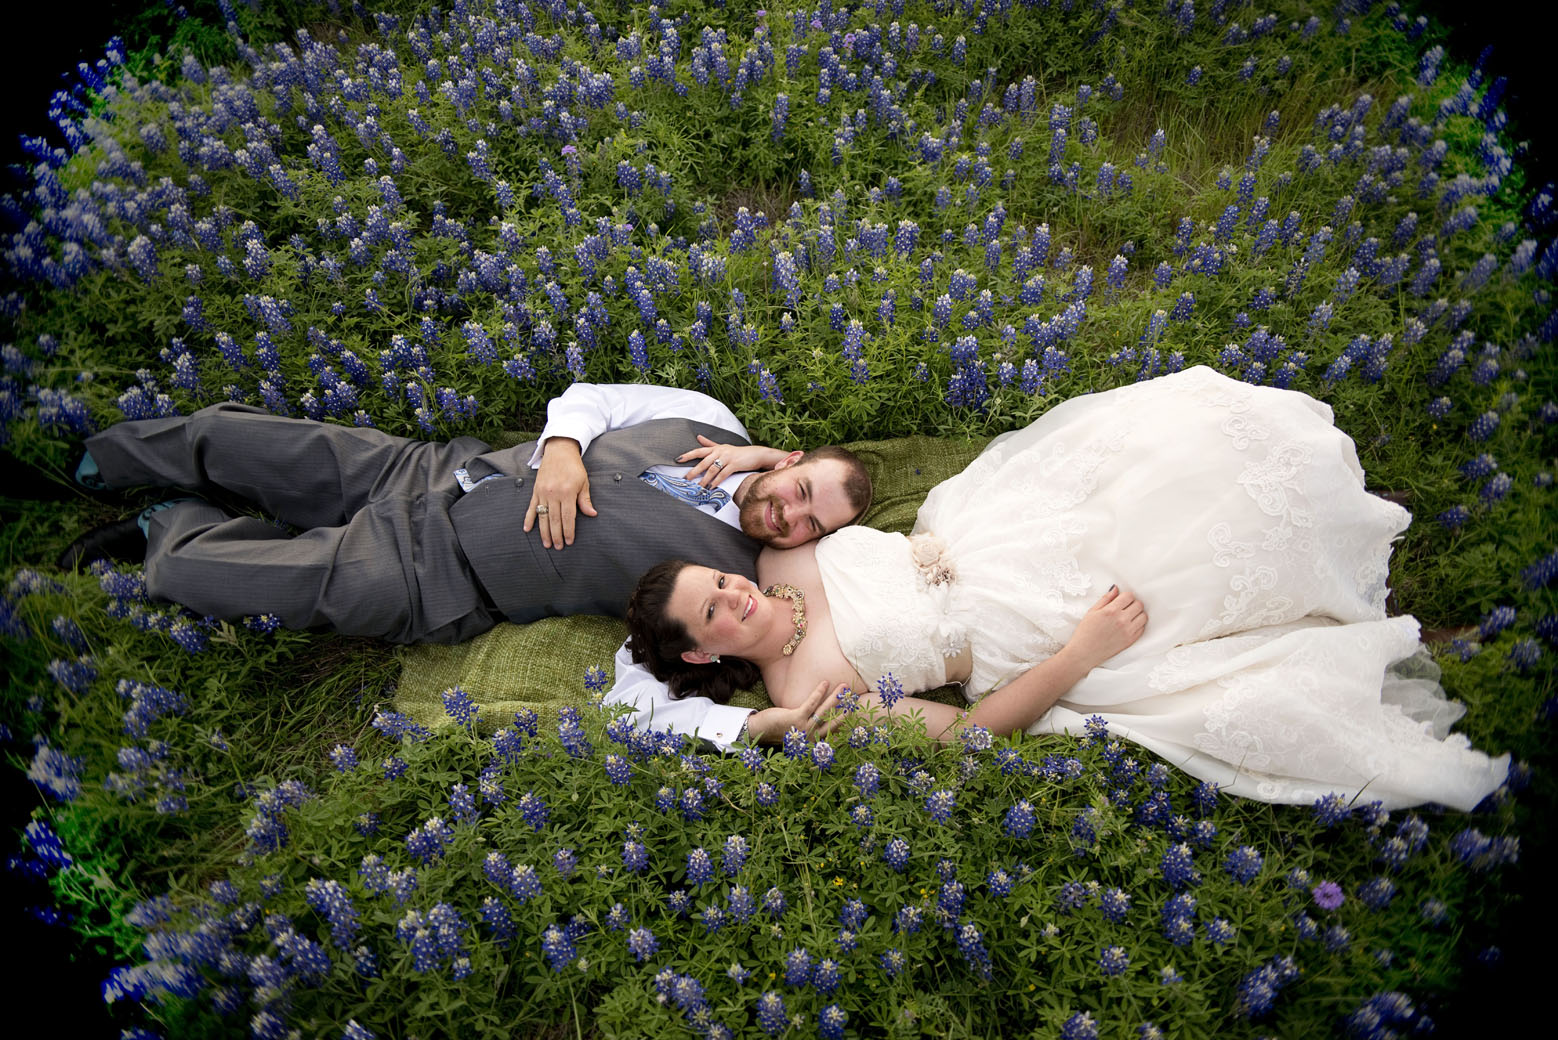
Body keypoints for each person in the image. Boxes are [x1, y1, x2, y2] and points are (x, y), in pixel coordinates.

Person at [623, 366, 1509, 811]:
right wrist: (1083, 652)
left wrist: (755, 459)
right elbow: (970, 735)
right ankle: (1349, 604)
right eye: (713, 610)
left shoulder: (777, 561)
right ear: (702, 649)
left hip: (1000, 536)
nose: (733, 594)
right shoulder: (811, 698)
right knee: (1183, 600)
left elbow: (800, 489)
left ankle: (1344, 521)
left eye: (718, 581)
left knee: (1180, 458)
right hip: (1031, 638)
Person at [62, 383, 872, 652]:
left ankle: (169, 525)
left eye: (812, 526)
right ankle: (120, 459)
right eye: (802, 491)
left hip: (444, 575)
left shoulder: (749, 579)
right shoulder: (710, 414)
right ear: (791, 460)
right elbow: (592, 398)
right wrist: (561, 446)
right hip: (440, 471)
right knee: (244, 438)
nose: (789, 517)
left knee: (195, 574)